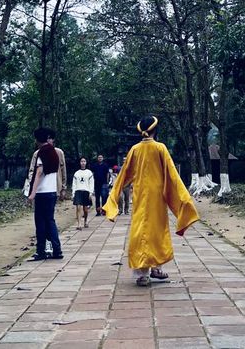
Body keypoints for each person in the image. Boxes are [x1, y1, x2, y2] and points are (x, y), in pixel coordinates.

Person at [103, 115, 199, 286]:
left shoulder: (135, 149)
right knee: (157, 230)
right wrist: (183, 198)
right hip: (157, 196)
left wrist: (113, 196)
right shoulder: (160, 148)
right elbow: (172, 174)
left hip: (140, 195)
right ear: (156, 130)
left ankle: (147, 272)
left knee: (141, 230)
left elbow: (125, 174)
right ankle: (151, 269)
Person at [27, 127, 63, 261]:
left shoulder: (43, 152)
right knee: (50, 221)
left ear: (37, 139)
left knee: (40, 223)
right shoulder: (54, 152)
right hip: (52, 191)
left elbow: (39, 173)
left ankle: (40, 251)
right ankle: (57, 250)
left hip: (42, 192)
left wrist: (32, 193)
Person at [72, 156, 95, 230]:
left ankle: (85, 220)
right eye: (81, 161)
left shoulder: (89, 172)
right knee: (78, 208)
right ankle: (79, 224)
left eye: (84, 161)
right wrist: (73, 193)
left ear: (86, 162)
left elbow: (91, 183)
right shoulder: (76, 173)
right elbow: (74, 184)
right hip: (78, 191)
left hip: (86, 191)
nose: (83, 163)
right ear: (79, 163)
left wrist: (90, 193)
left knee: (85, 209)